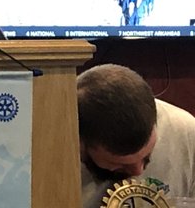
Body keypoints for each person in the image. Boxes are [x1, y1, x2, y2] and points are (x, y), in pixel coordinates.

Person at [78, 64, 195, 207]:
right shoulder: (53, 149)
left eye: (146, 157)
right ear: (81, 145)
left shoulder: (185, 132)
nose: (138, 171)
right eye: (120, 165)